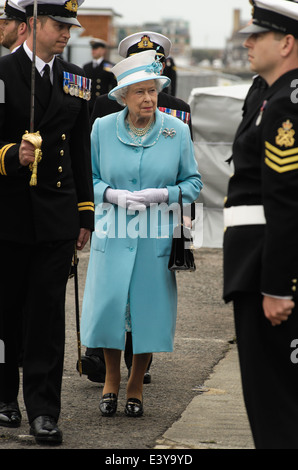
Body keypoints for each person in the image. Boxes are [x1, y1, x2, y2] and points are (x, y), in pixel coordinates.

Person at [80, 49, 202, 418]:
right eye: (140, 92)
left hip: (156, 234)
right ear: (122, 96)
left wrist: (163, 194)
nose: (149, 98)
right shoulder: (101, 128)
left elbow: (194, 183)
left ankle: (136, 384)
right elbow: (89, 179)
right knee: (111, 309)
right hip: (113, 232)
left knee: (148, 312)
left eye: (153, 90)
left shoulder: (176, 130)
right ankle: (111, 381)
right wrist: (111, 194)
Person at [0, 0, 94, 445]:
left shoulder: (77, 80)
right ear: (33, 23)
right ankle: (3, 397)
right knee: (5, 312)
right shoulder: (2, 74)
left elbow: (80, 150)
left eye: (70, 27)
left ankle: (43, 409)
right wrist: (9, 155)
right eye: (59, 25)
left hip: (56, 217)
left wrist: (84, 213)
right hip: (8, 215)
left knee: (46, 318)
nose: (67, 34)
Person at [223, 0, 298, 449]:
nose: (247, 41)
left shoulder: (286, 103)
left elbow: (286, 201)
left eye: (258, 35)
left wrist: (278, 286)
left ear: (287, 42)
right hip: (257, 263)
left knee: (277, 407)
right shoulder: (271, 95)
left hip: (267, 270)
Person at [83, 38, 117, 115]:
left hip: (103, 103)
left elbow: (113, 85)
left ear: (103, 51)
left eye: (96, 48)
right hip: (88, 104)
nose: (93, 51)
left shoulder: (109, 66)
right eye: (92, 49)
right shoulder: (86, 67)